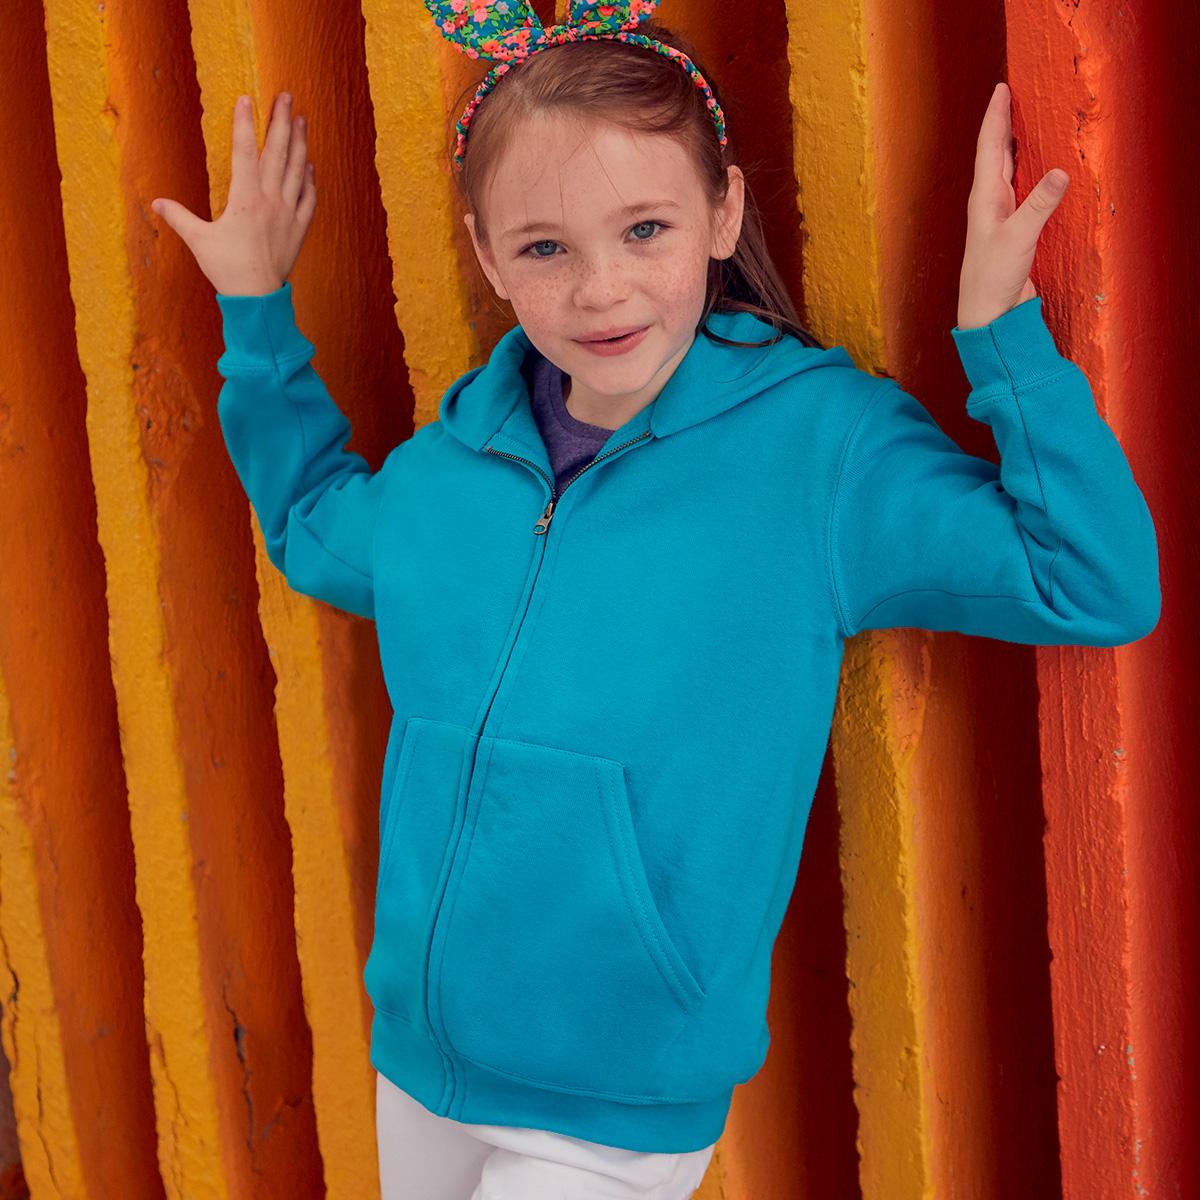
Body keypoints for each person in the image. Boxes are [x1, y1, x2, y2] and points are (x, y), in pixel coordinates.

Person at [149, 2, 1161, 1196]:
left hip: (619, 1100)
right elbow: (317, 526)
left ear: (722, 212)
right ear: (486, 257)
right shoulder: (451, 469)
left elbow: (1088, 579)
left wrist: (1001, 336)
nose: (601, 288)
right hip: (421, 1062)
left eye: (644, 229)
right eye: (544, 249)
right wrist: (256, 311)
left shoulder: (816, 453)